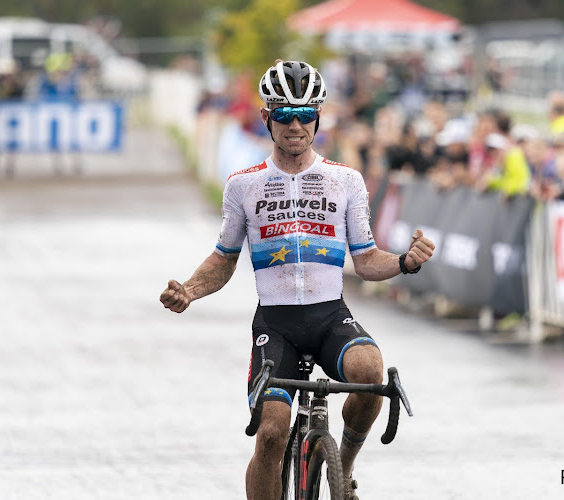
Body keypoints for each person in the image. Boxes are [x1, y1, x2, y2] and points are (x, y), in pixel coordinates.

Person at [159, 60, 435, 500]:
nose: (295, 125)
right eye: (284, 114)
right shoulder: (243, 186)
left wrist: (405, 262)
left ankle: (341, 469)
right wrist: (189, 291)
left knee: (370, 372)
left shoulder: (345, 180)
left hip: (330, 317)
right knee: (271, 434)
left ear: (318, 118)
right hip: (277, 326)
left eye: (305, 115)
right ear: (267, 117)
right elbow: (224, 257)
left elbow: (365, 261)